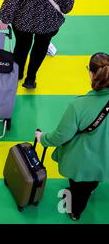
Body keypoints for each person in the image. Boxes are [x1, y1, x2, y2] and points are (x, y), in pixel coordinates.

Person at [36, 53, 109, 221]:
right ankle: (91, 188)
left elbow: (60, 136)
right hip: (104, 161)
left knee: (78, 190)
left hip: (82, 163)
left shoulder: (78, 106)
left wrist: (43, 138)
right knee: (91, 183)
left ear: (91, 73)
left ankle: (75, 211)